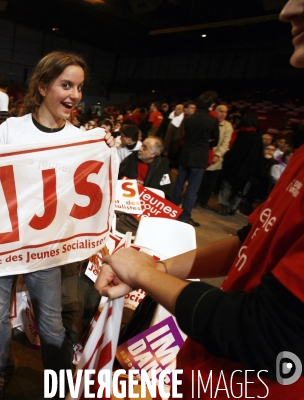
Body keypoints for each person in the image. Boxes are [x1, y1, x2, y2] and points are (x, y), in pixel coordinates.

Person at [94, 3, 304, 397]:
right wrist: (159, 266)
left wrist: (144, 274)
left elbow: (268, 335)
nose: (287, 10)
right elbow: (252, 239)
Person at [0, 51, 114, 400]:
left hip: (47, 250)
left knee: (53, 327)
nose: (74, 95)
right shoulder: (10, 130)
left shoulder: (82, 139)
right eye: (66, 85)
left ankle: (57, 384)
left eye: (80, 87)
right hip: (3, 244)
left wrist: (107, 151)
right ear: (42, 87)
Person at [171, 91, 219, 227]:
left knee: (178, 185)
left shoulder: (189, 118)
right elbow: (215, 142)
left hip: (185, 155)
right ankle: (185, 216)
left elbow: (183, 137)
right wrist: (206, 141)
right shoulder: (212, 120)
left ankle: (172, 211)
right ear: (212, 104)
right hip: (199, 157)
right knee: (192, 189)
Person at [217, 114, 262, 216]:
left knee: (226, 186)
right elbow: (258, 157)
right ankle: (233, 208)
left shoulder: (239, 134)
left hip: (233, 166)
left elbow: (232, 149)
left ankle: (224, 206)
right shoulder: (257, 137)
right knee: (240, 190)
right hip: (247, 170)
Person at [197, 104, 233, 209]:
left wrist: (217, 155)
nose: (223, 114)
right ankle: (195, 199)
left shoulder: (228, 126)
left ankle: (203, 202)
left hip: (217, 159)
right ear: (215, 111)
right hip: (204, 155)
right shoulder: (209, 121)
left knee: (210, 183)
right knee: (199, 180)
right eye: (221, 111)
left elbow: (226, 143)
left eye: (225, 112)